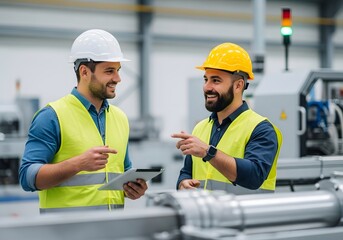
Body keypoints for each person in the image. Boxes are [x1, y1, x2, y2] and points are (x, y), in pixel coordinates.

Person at [19, 29, 147, 213]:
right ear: (84, 72)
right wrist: (78, 164)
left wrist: (132, 189)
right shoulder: (51, 116)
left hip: (113, 228)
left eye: (118, 70)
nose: (118, 79)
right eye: (109, 71)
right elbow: (27, 177)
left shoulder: (120, 118)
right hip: (66, 232)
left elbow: (122, 173)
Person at [172, 43, 282, 194]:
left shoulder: (261, 129)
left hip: (247, 216)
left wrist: (207, 152)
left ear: (238, 86)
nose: (207, 87)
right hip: (207, 216)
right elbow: (187, 171)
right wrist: (182, 183)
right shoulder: (201, 127)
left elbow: (254, 176)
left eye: (216, 80)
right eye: (206, 79)